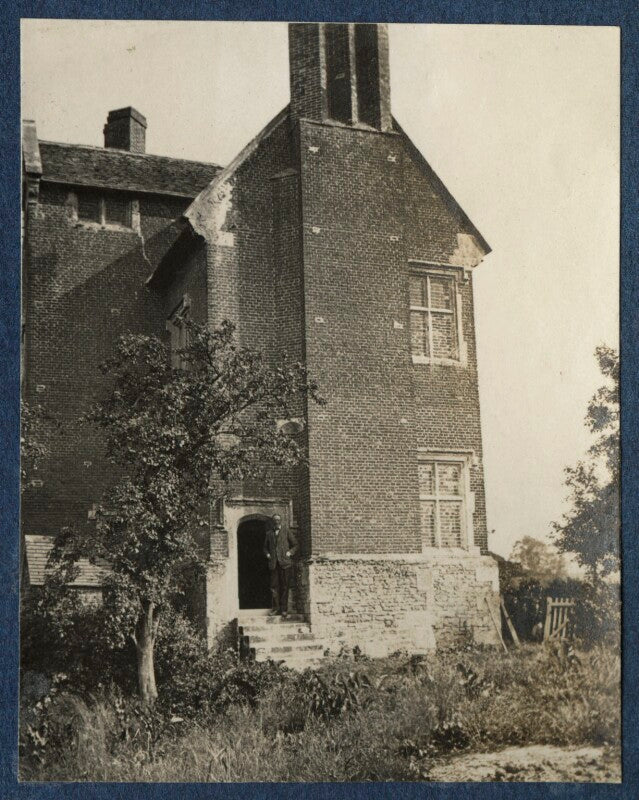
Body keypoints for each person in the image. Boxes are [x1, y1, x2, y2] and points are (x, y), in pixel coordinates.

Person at [263, 514, 298, 618]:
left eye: (278, 520)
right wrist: (268, 554)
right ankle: (275, 609)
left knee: (285, 586)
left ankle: (284, 610)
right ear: (272, 522)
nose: (276, 522)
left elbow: (295, 544)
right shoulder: (269, 534)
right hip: (274, 564)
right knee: (274, 587)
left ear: (281, 521)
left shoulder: (286, 531)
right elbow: (265, 548)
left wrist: (290, 553)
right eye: (274, 520)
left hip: (285, 564)